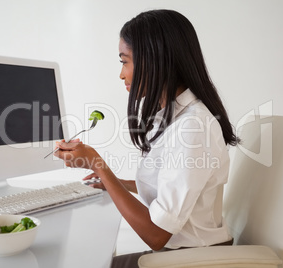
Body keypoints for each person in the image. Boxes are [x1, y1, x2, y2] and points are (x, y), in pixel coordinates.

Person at [54, 9, 238, 268]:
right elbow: (173, 187)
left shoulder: (192, 127)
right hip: (184, 253)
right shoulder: (174, 115)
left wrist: (99, 165)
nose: (121, 74)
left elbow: (156, 235)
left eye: (124, 61)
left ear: (155, 60)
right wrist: (118, 183)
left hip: (194, 260)